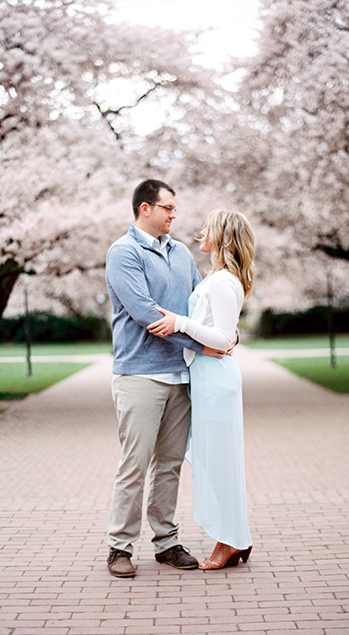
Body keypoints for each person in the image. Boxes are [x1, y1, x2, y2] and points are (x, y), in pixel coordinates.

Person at [104, 179, 230, 578]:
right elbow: (145, 312)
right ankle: (119, 547)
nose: (175, 216)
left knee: (171, 464)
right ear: (145, 208)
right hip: (139, 374)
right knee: (135, 464)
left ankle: (166, 542)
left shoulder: (181, 253)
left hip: (181, 375)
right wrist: (201, 343)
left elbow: (198, 306)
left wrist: (222, 335)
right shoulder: (123, 252)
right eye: (168, 208)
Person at [147, 209, 256, 570]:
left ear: (222, 235)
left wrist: (180, 323)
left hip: (217, 381)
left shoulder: (225, 282)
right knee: (213, 461)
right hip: (206, 378)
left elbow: (224, 338)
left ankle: (228, 543)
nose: (201, 230)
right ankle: (238, 539)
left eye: (209, 226)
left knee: (220, 464)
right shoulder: (218, 277)